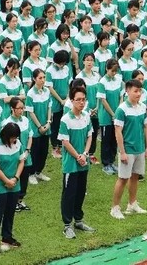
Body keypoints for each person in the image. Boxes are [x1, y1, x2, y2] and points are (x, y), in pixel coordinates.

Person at [110, 79, 147, 220]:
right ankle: (115, 208)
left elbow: (145, 127)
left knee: (135, 177)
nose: (138, 94)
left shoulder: (142, 107)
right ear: (127, 91)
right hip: (128, 150)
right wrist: (122, 152)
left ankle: (132, 204)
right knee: (123, 179)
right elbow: (118, 132)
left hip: (139, 149)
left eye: (140, 91)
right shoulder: (122, 110)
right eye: (135, 91)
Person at [58, 86, 94, 238]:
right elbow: (65, 142)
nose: (81, 102)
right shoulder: (65, 119)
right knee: (69, 194)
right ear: (71, 101)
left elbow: (90, 136)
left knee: (80, 192)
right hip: (71, 164)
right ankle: (67, 225)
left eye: (83, 99)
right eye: (78, 100)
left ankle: (78, 220)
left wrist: (85, 154)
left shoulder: (86, 116)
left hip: (83, 162)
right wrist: (78, 156)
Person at [0, 123, 25, 254]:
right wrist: (6, 181)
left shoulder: (17, 144)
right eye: (12, 137)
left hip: (14, 185)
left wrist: (15, 178)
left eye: (16, 137)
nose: (15, 140)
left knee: (10, 212)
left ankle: (7, 237)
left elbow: (21, 161)